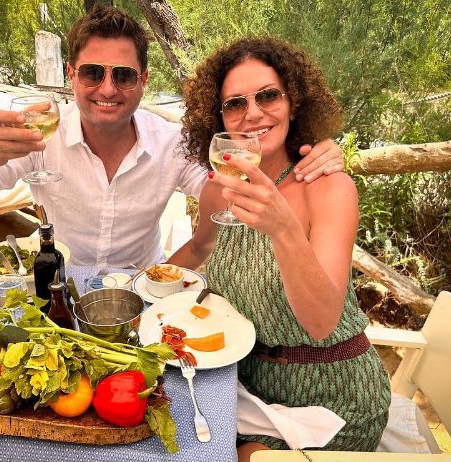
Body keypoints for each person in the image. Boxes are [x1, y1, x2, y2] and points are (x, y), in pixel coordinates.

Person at [0, 6, 344, 268]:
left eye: (122, 75)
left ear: (143, 81)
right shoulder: (38, 136)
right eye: (92, 73)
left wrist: (306, 148)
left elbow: (229, 186)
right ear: (71, 76)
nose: (107, 89)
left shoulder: (171, 143)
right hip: (60, 288)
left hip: (144, 292)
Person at [168, 37, 391, 456]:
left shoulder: (328, 188)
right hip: (244, 380)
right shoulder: (221, 190)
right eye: (235, 103)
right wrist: (141, 285)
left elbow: (322, 320)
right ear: (218, 118)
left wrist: (284, 229)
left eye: (268, 95)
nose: (252, 113)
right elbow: (199, 248)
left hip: (330, 396)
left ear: (294, 103)